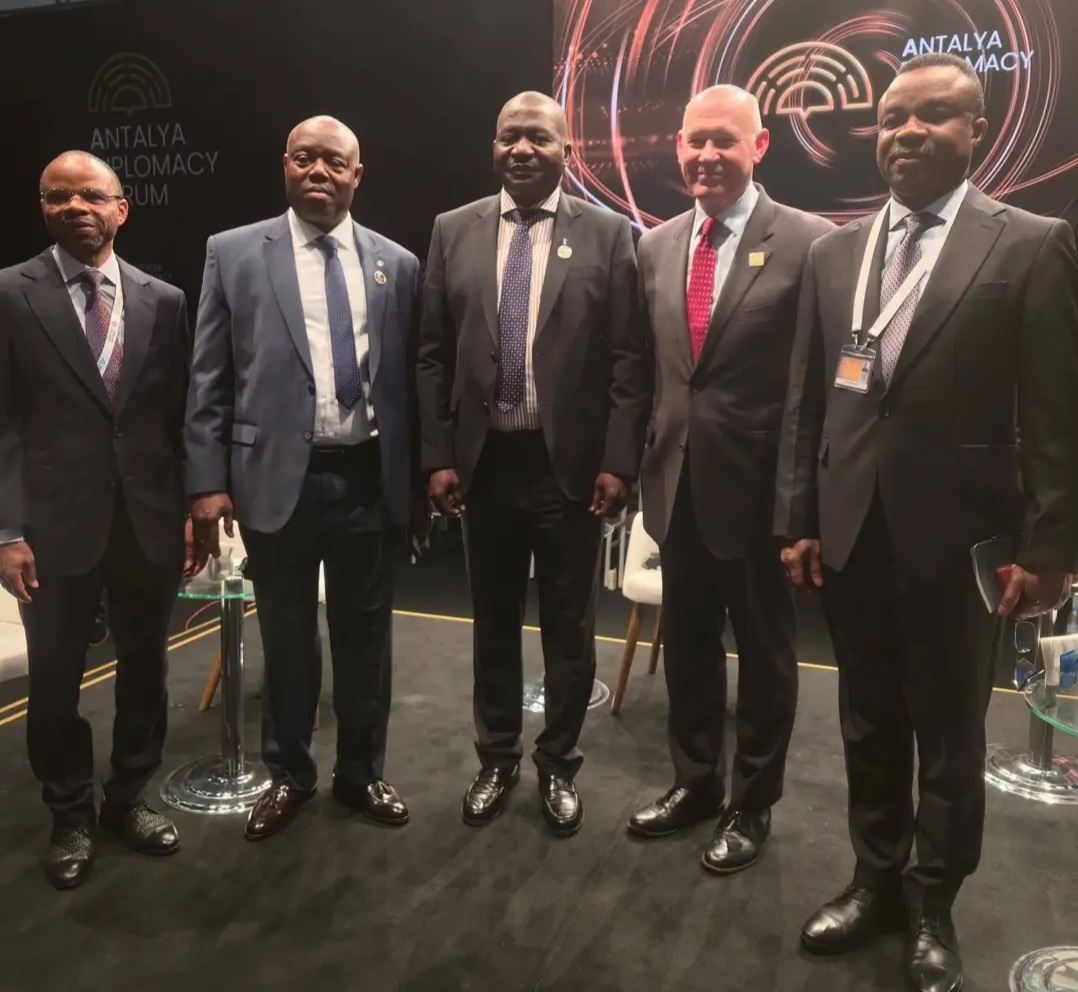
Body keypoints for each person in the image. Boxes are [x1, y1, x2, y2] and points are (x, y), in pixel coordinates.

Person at [775, 53, 1078, 992]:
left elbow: (1058, 413)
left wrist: (1052, 548)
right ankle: (874, 880)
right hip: (852, 531)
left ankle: (934, 901)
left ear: (977, 130)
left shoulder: (1030, 243)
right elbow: (810, 403)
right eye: (894, 116)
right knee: (867, 718)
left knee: (948, 732)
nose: (908, 131)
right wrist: (800, 517)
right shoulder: (834, 253)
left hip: (962, 544)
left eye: (935, 115)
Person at [416, 91, 650, 836]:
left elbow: (628, 358)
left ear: (566, 152)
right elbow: (431, 353)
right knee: (491, 621)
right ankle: (496, 757)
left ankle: (558, 763)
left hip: (568, 469)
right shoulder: (453, 229)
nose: (521, 149)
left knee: (569, 626)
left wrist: (620, 461)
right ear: (494, 146)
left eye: (538, 139)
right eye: (508, 137)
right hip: (483, 466)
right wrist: (437, 455)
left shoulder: (609, 234)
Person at [186, 116, 424, 841]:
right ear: (285, 166)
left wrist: (416, 480)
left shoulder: (397, 264)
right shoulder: (233, 253)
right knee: (288, 643)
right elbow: (209, 376)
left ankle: (361, 773)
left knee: (366, 641)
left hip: (366, 478)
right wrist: (206, 480)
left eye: (334, 162)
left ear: (358, 175)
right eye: (304, 158)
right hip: (272, 480)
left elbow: (411, 382)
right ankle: (290, 774)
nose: (319, 171)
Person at [629, 86, 833, 873]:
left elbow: (815, 390)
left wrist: (801, 506)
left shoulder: (811, 244)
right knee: (687, 646)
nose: (707, 155)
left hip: (760, 499)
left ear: (760, 145)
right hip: (675, 487)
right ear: (678, 146)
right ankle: (694, 783)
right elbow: (656, 372)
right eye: (695, 141)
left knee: (766, 658)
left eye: (724, 140)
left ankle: (752, 805)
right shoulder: (656, 246)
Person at [0, 151, 200, 889]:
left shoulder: (164, 300)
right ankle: (69, 814)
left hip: (147, 521)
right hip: (51, 529)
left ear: (122, 209)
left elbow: (178, 416)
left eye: (91, 195)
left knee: (146, 671)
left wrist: (191, 509)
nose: (76, 207)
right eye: (59, 196)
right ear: (43, 207)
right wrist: (6, 531)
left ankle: (128, 798)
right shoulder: (10, 294)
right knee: (55, 682)